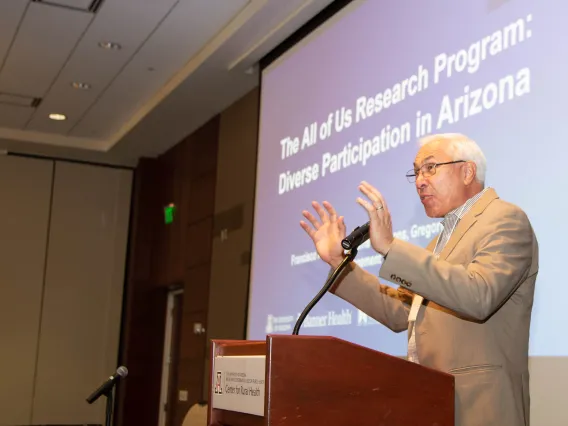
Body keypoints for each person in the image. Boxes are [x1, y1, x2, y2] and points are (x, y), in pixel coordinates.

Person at [300, 133, 538, 426]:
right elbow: (400, 312)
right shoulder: (436, 245)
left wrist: (391, 247)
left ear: (467, 171)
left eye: (430, 167)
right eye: (416, 171)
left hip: (480, 409)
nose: (420, 180)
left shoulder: (505, 219)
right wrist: (339, 262)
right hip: (430, 405)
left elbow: (480, 295)